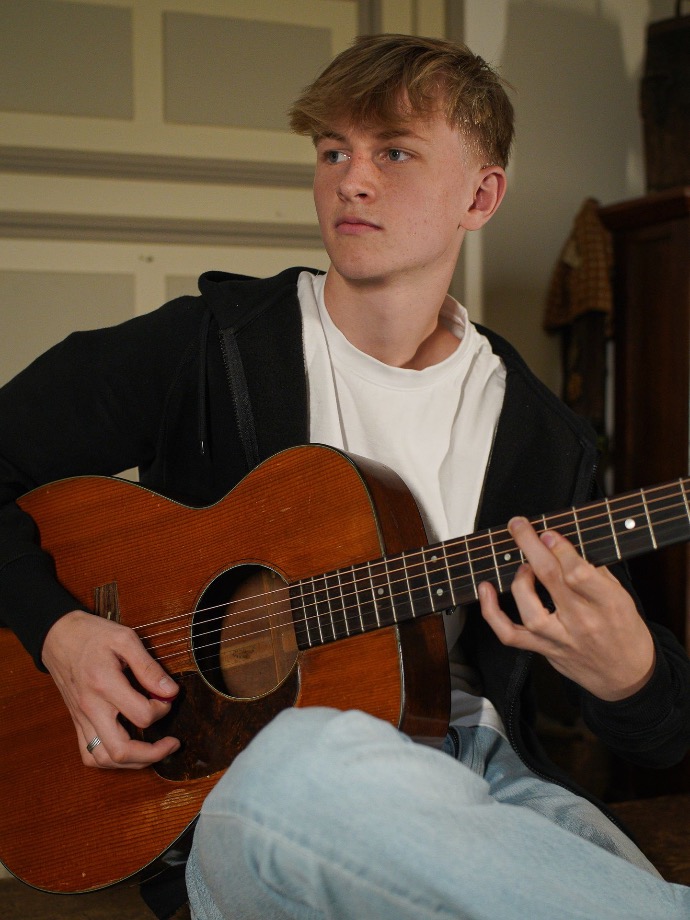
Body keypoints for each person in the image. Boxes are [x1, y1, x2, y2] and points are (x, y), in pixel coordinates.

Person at [1, 33, 689, 920]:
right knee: (302, 760)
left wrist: (631, 675)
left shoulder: (543, 440)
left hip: (486, 786)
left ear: (481, 196)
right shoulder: (212, 345)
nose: (350, 181)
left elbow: (664, 733)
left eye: (393, 152)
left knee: (601, 867)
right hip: (247, 803)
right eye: (334, 152)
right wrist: (57, 631)